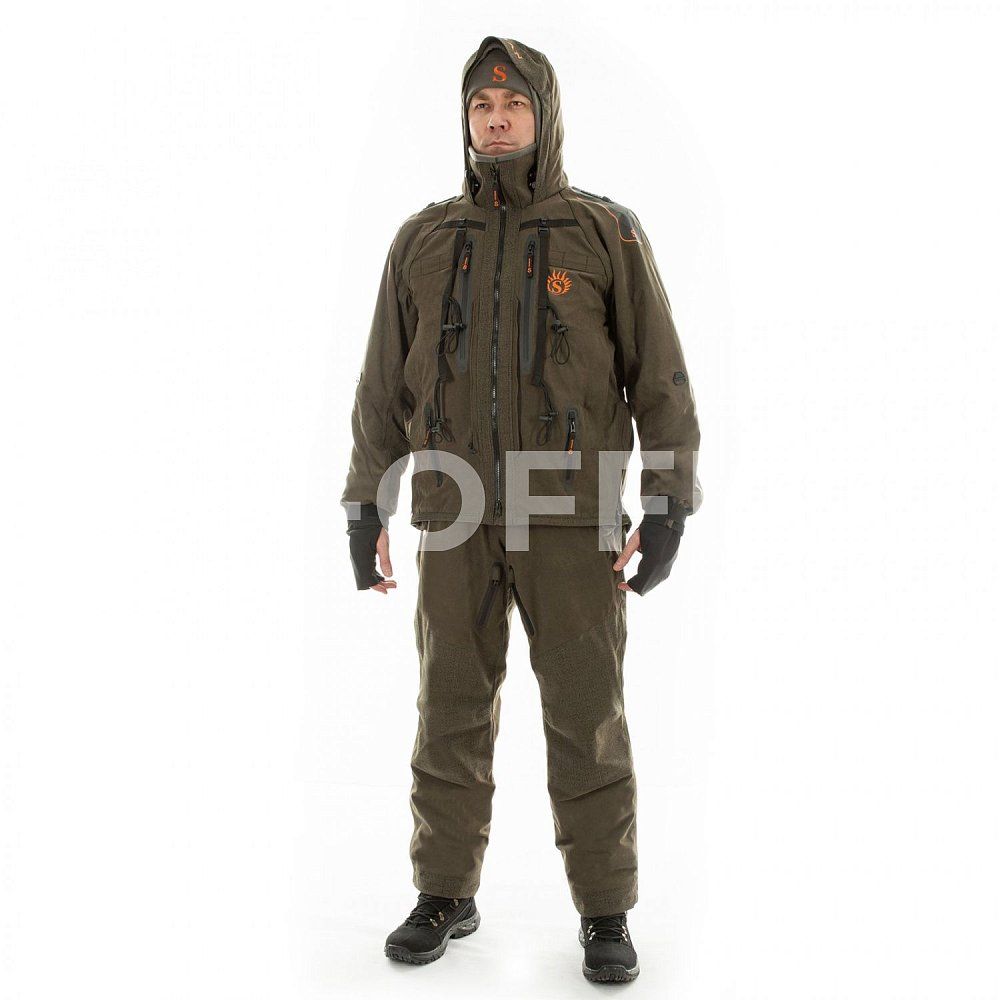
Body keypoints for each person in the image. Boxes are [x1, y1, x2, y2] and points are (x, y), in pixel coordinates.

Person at [341, 34, 701, 983]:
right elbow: (382, 388)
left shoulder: (604, 232)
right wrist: (364, 506)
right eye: (480, 107)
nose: (496, 121)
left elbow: (659, 376)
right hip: (453, 511)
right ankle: (445, 892)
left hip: (570, 512)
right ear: (465, 121)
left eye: (513, 105)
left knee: (586, 714)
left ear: (544, 116)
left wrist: (667, 502)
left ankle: (605, 908)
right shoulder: (423, 241)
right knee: (449, 709)